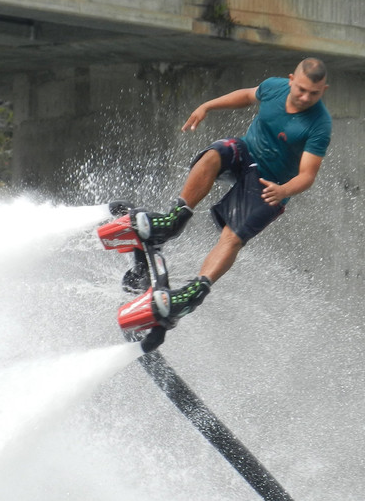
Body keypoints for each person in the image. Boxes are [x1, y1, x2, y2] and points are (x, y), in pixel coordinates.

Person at [133, 57, 332, 324]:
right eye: (302, 89)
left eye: (314, 93)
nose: (306, 97)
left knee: (233, 237)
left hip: (270, 184)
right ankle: (175, 219)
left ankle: (193, 293)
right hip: (246, 152)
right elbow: (247, 96)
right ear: (291, 80)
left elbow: (308, 175)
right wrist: (207, 106)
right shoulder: (274, 87)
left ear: (324, 90)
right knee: (215, 153)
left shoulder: (319, 124)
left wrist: (284, 190)